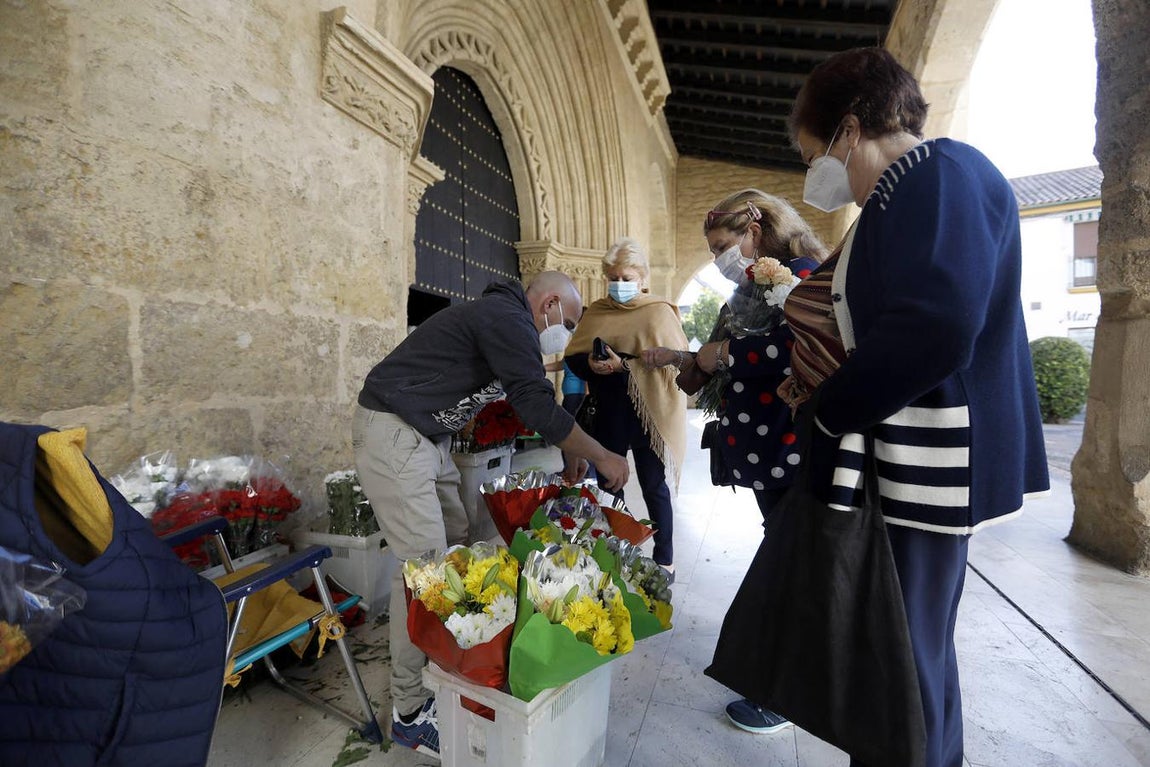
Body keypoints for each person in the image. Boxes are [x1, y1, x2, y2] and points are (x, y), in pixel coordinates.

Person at [780, 47, 1050, 767]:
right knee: (911, 653)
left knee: (901, 660)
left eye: (814, 155)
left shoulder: (938, 173)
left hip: (931, 461)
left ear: (848, 129)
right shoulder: (909, 188)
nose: (816, 176)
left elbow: (936, 325)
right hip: (915, 462)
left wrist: (831, 409)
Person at [353, 271, 630, 758]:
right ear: (546, 305)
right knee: (424, 571)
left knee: (456, 547)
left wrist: (571, 448)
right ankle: (410, 712)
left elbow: (528, 398)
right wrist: (603, 453)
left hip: (426, 438)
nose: (563, 332)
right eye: (565, 321)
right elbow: (535, 404)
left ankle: (441, 666)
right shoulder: (508, 317)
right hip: (395, 431)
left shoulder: (507, 320)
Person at [643, 189, 828, 736]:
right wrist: (696, 361)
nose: (725, 259)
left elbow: (799, 349)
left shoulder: (804, 274)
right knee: (786, 556)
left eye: (726, 245)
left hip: (788, 444)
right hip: (765, 448)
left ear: (755, 228)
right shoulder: (752, 288)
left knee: (792, 564)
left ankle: (787, 691)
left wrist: (720, 355)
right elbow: (728, 353)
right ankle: (783, 679)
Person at [564, 238, 688, 579]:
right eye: (613, 278)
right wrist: (591, 362)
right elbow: (572, 359)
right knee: (609, 484)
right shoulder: (598, 312)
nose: (619, 285)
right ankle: (618, 550)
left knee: (653, 485)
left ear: (643, 277)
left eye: (626, 277)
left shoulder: (659, 311)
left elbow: (677, 363)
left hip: (649, 412)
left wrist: (625, 366)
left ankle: (664, 559)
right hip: (609, 412)